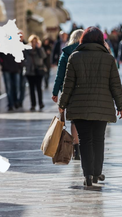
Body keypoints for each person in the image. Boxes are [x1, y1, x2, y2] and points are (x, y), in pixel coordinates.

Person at [58, 27, 122, 187]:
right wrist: (121, 105)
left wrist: (62, 104)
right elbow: (115, 84)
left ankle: (87, 175)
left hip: (79, 107)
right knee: (98, 139)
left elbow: (68, 85)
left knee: (84, 140)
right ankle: (96, 173)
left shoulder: (74, 57)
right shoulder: (108, 58)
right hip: (102, 106)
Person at [52, 29, 84, 160]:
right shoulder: (85, 51)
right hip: (83, 90)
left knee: (73, 120)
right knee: (83, 119)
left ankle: (76, 149)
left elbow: (59, 75)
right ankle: (84, 146)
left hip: (68, 91)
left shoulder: (65, 54)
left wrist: (55, 92)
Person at [25, 35, 47, 111]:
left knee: (39, 88)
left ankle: (40, 103)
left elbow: (44, 56)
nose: (34, 43)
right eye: (32, 41)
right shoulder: (27, 49)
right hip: (30, 71)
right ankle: (33, 104)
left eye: (35, 41)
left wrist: (39, 48)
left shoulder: (39, 49)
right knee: (31, 89)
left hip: (38, 70)